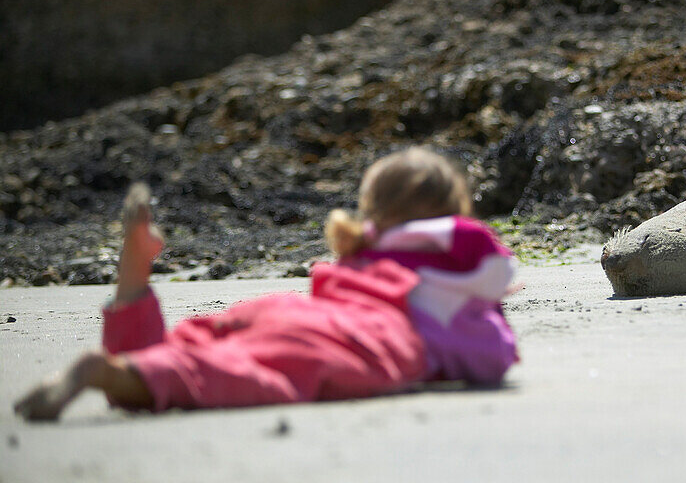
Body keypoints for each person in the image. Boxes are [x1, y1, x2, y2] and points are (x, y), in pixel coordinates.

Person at [15, 147, 519, 421]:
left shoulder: (359, 257)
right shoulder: (446, 279)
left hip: (284, 309)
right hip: (347, 338)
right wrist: (489, 312)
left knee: (199, 345)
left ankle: (132, 296)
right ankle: (102, 372)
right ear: (453, 218)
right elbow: (493, 355)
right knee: (248, 377)